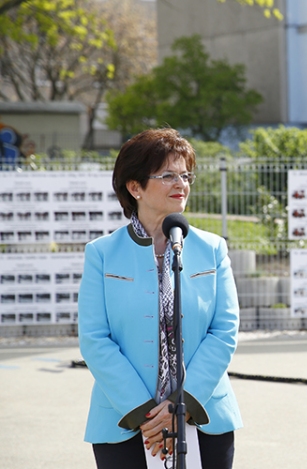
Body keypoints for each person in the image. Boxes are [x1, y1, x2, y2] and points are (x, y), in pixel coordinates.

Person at [78, 128, 242, 468]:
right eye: (167, 175)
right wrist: (147, 412)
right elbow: (95, 339)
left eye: (185, 174)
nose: (180, 183)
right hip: (125, 420)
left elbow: (224, 331)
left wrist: (180, 405)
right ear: (134, 187)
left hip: (204, 414)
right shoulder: (102, 254)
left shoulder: (211, 248)